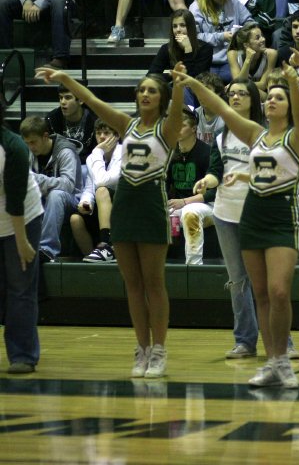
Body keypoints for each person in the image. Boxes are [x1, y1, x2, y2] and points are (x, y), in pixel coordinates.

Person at [34, 66, 186, 379]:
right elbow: (91, 99)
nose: (145, 94)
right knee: (132, 285)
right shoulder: (127, 125)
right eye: (141, 90)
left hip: (151, 208)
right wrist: (64, 79)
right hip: (125, 206)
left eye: (152, 90)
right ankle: (141, 347)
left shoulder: (167, 129)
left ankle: (159, 349)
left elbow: (176, 108)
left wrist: (180, 84)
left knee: (153, 283)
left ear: (162, 99)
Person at [177, 59, 299, 387]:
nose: (271, 101)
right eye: (270, 98)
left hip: (282, 217)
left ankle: (284, 356)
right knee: (262, 294)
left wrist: (293, 82)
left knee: (279, 292)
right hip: (251, 216)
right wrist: (191, 84)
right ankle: (273, 363)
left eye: (277, 98)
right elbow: (222, 109)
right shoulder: (256, 134)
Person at [0, 98, 44, 374]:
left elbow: (14, 201)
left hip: (21, 219)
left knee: (20, 286)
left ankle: (23, 354)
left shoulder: (13, 147)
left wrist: (22, 242)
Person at [19, 116, 82, 265]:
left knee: (56, 195)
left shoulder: (65, 151)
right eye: (27, 143)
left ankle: (47, 249)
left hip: (72, 200)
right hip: (44, 199)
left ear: (45, 136)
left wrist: (37, 180)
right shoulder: (30, 152)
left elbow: (68, 185)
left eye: (33, 142)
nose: (30, 147)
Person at [166, 108, 215, 266]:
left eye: (182, 125)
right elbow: (164, 185)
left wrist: (186, 201)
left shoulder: (207, 153)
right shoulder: (170, 153)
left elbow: (214, 192)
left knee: (190, 212)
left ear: (194, 128)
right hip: (179, 205)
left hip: (209, 205)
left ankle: (193, 268)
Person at [189, 0, 254, 83]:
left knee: (239, 81)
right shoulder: (196, 8)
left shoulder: (232, 1)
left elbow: (250, 22)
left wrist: (241, 33)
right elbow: (194, 37)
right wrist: (221, 37)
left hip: (230, 60)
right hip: (206, 60)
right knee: (207, 83)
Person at [70, 120, 121, 263]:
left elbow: (102, 181)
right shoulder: (93, 157)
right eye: (99, 133)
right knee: (75, 219)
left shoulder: (124, 152)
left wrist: (98, 152)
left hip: (122, 206)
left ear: (116, 136)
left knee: (102, 190)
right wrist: (85, 202)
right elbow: (89, 187)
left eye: (107, 133)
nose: (102, 137)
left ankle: (107, 244)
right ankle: (94, 257)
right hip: (102, 206)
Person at [148, 9, 214, 89]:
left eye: (183, 25)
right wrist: (172, 74)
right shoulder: (166, 48)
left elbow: (194, 79)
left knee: (185, 88)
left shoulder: (206, 49)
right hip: (174, 87)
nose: (178, 30)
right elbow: (151, 76)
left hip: (195, 90)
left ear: (191, 28)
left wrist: (188, 49)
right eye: (174, 26)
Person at [45, 85, 96, 162]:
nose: (62, 102)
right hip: (60, 164)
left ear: (81, 100)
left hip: (86, 164)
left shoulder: (94, 120)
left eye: (68, 98)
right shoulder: (51, 119)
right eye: (60, 97)